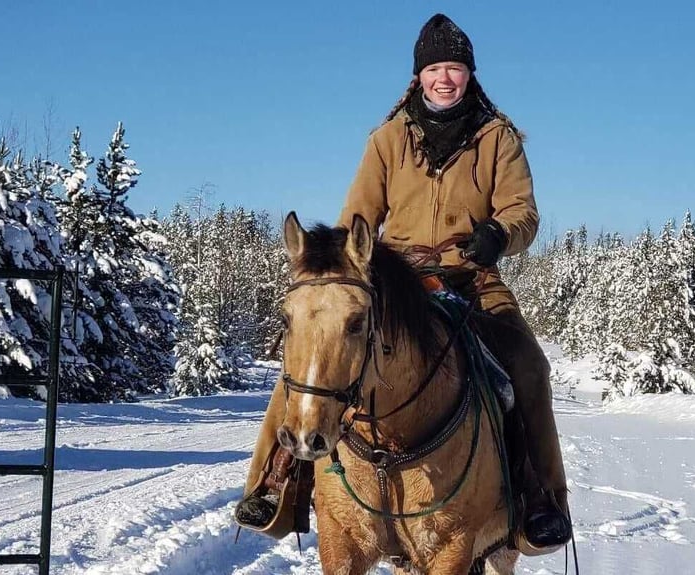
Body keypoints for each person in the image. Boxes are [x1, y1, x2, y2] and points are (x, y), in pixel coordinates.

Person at [235, 13, 572, 551]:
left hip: (472, 278)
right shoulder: (387, 140)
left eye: (454, 68)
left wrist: (496, 236)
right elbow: (357, 217)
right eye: (435, 67)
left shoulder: (498, 139)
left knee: (529, 367)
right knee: (308, 363)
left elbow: (522, 214)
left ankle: (541, 500)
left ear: (470, 74)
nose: (445, 78)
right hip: (396, 280)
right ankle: (275, 484)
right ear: (418, 76)